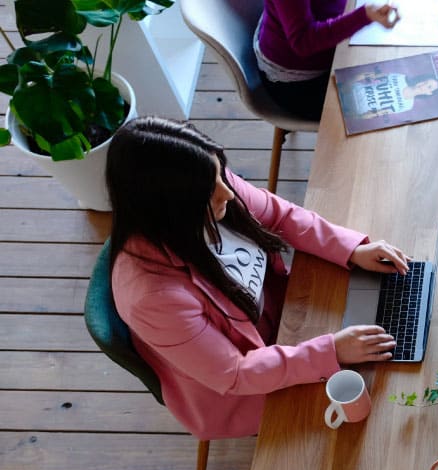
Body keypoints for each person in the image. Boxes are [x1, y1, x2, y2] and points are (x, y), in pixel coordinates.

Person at [107, 116, 410, 441]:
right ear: (170, 207)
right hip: (241, 388)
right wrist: (330, 351)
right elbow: (235, 373)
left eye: (221, 173)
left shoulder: (205, 185)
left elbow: (280, 215)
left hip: (286, 319)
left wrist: (351, 249)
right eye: (212, 190)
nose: (229, 192)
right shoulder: (153, 298)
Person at [255, 0, 400, 121]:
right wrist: (363, 16)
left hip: (332, 45)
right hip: (299, 83)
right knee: (382, 114)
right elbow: (303, 42)